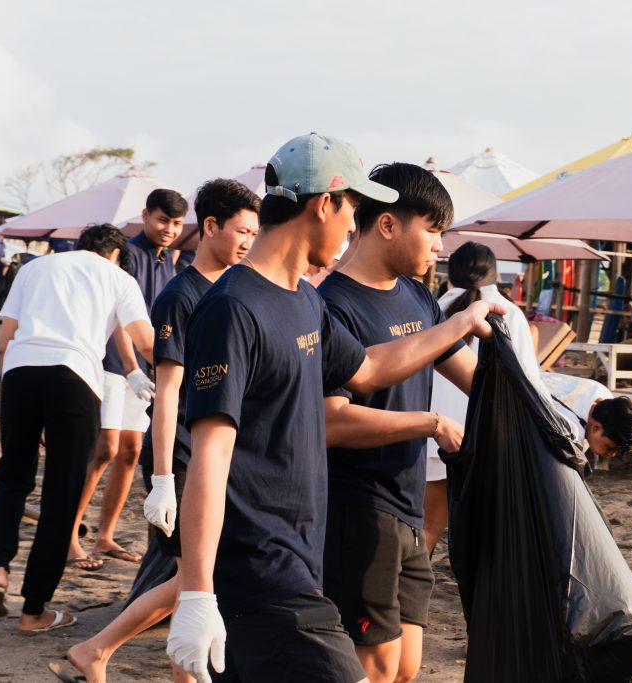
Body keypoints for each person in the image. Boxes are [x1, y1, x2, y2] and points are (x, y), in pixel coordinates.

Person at [165, 133, 504, 683]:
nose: (354, 226)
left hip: (304, 555)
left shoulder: (302, 299)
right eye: (351, 210)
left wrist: (460, 324)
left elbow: (369, 368)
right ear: (323, 203)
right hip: (256, 565)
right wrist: (197, 592)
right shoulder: (231, 308)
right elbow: (211, 452)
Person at [63, 179, 260, 683]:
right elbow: (167, 389)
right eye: (240, 231)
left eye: (254, 234)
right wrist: (166, 476)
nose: (247, 243)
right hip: (184, 447)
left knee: (193, 575)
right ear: (210, 226)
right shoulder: (180, 294)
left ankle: (99, 648)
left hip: (219, 447)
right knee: (192, 575)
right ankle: (105, 649)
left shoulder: (235, 289)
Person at [320, 162, 486, 683]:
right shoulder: (330, 307)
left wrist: (541, 408)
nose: (439, 246)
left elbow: (471, 375)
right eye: (433, 230)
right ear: (388, 224)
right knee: (375, 666)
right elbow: (332, 423)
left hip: (409, 503)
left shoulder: (417, 296)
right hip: (356, 505)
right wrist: (430, 424)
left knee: (407, 667)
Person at [423, 242, 632, 555]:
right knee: (488, 529)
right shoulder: (508, 313)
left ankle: (410, 596)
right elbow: (526, 382)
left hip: (433, 429)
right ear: (496, 278)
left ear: (449, 278)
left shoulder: (430, 307)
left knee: (430, 524)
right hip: (486, 437)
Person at [0, 224, 154, 632]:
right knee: (61, 494)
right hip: (75, 378)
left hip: (21, 374)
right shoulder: (118, 277)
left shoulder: (34, 267)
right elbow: (146, 341)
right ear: (115, 253)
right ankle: (33, 611)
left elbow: (6, 335)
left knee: (12, 477)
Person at [70, 188, 188, 568]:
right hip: (112, 365)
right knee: (103, 450)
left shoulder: (168, 261)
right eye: (162, 220)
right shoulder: (129, 255)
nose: (169, 229)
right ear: (146, 215)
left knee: (132, 452)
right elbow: (119, 316)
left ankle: (104, 536)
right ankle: (70, 536)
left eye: (175, 223)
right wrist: (133, 367)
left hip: (147, 370)